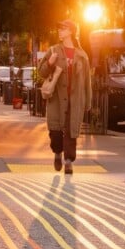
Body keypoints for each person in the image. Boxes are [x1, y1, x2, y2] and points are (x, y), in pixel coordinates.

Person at [38, 19, 91, 174]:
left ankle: (68, 161)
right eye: (59, 28)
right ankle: (57, 153)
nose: (60, 31)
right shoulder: (53, 50)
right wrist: (50, 63)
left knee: (71, 132)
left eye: (63, 28)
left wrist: (87, 102)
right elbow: (41, 72)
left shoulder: (82, 55)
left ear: (71, 31)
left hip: (75, 101)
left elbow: (87, 81)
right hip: (56, 100)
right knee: (55, 131)